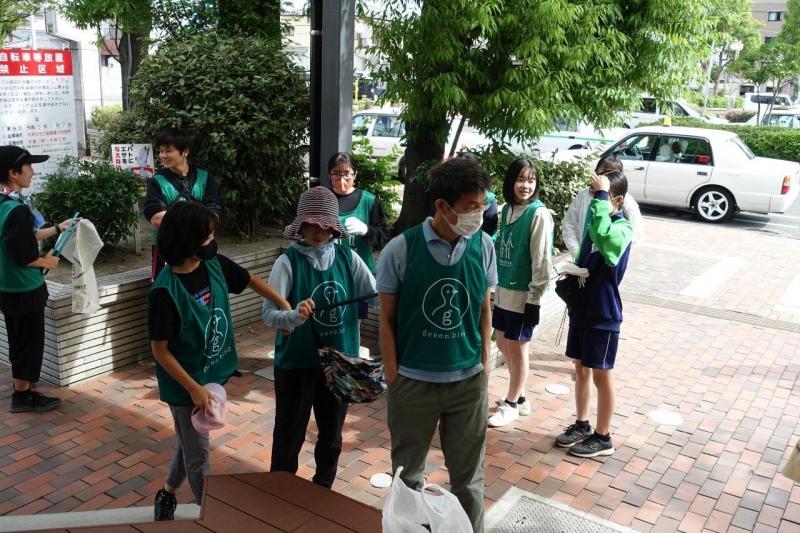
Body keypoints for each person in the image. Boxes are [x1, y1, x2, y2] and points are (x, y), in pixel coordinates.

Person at [148, 202, 291, 521]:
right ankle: (210, 517)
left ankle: (167, 493)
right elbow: (160, 351)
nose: (213, 242)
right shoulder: (164, 293)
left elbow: (250, 279)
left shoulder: (213, 266)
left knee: (190, 440)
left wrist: (282, 303)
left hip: (209, 373)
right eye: (207, 236)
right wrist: (195, 390)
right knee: (199, 457)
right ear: (188, 242)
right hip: (185, 384)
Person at [378, 157, 497, 532]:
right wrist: (395, 377)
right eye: (469, 208)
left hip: (467, 383)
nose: (477, 216)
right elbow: (385, 318)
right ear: (442, 206)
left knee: (469, 481)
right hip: (413, 383)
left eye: (482, 206)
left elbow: (484, 310)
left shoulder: (484, 246)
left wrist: (483, 366)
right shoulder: (402, 249)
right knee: (408, 478)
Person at [262, 186, 376, 488]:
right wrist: (294, 315)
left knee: (332, 436)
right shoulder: (287, 262)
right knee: (289, 435)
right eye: (312, 224)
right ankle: (281, 492)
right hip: (297, 364)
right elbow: (269, 313)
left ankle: (322, 490)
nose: (319, 231)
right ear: (301, 225)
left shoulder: (348, 258)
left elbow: (375, 295)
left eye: (326, 225)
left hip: (339, 364)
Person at [555, 171, 633, 458]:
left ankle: (604, 437)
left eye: (601, 195)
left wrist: (601, 199)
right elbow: (586, 255)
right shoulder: (595, 221)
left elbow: (606, 241)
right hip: (583, 310)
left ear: (618, 200)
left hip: (604, 315)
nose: (594, 200)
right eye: (592, 193)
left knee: (602, 375)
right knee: (581, 368)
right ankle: (583, 424)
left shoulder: (622, 229)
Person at [0, 146, 73, 413]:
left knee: (19, 338)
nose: (33, 171)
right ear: (13, 173)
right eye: (29, 166)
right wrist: (47, 261)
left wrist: (56, 228)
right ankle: (22, 396)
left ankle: (23, 388)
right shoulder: (16, 210)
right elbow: (22, 254)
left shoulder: (5, 204)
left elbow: (21, 238)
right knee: (28, 342)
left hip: (7, 287)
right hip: (24, 287)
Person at [487, 158, 553, 428]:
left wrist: (534, 299)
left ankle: (512, 403)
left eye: (531, 180)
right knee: (503, 344)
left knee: (518, 348)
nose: (526, 185)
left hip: (523, 294)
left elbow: (541, 260)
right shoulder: (507, 210)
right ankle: (522, 396)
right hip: (504, 289)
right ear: (511, 181)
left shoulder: (538, 214)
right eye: (521, 179)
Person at [143, 127, 224, 282]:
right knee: (167, 291)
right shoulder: (157, 182)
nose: (162, 156)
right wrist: (200, 220)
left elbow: (215, 212)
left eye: (168, 151)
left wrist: (177, 218)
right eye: (160, 151)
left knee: (202, 288)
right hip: (168, 249)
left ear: (185, 151)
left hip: (201, 247)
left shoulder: (204, 178)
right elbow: (156, 218)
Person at [327, 152, 388, 318]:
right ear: (329, 175)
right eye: (336, 175)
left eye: (346, 175)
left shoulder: (369, 201)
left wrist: (367, 230)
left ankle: (353, 345)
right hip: (328, 272)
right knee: (328, 319)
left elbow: (382, 238)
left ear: (355, 174)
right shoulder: (323, 199)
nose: (342, 181)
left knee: (354, 319)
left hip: (359, 274)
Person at [561, 155, 643, 257]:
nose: (606, 177)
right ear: (596, 172)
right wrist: (576, 250)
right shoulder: (583, 196)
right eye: (603, 171)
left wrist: (613, 250)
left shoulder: (627, 201)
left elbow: (636, 232)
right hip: (583, 256)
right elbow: (569, 223)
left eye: (612, 173)